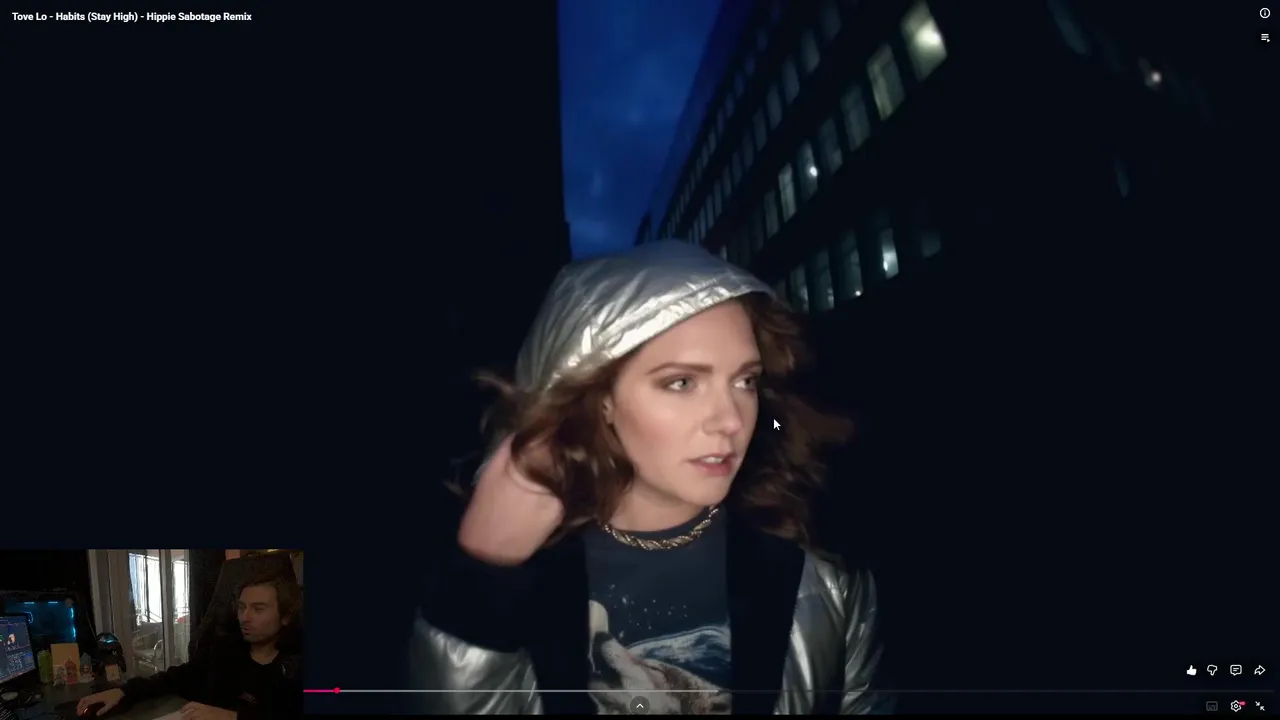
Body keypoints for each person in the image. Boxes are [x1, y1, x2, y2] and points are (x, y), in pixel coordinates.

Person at [411, 241, 891, 714]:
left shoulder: (823, 574)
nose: (730, 419)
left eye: (745, 380)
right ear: (600, 399)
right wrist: (480, 580)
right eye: (681, 382)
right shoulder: (514, 576)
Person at [76, 570, 302, 719]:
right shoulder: (224, 652)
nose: (245, 617)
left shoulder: (298, 667)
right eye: (242, 607)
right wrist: (123, 691)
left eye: (258, 609)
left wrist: (233, 717)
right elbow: (175, 678)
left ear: (285, 617)